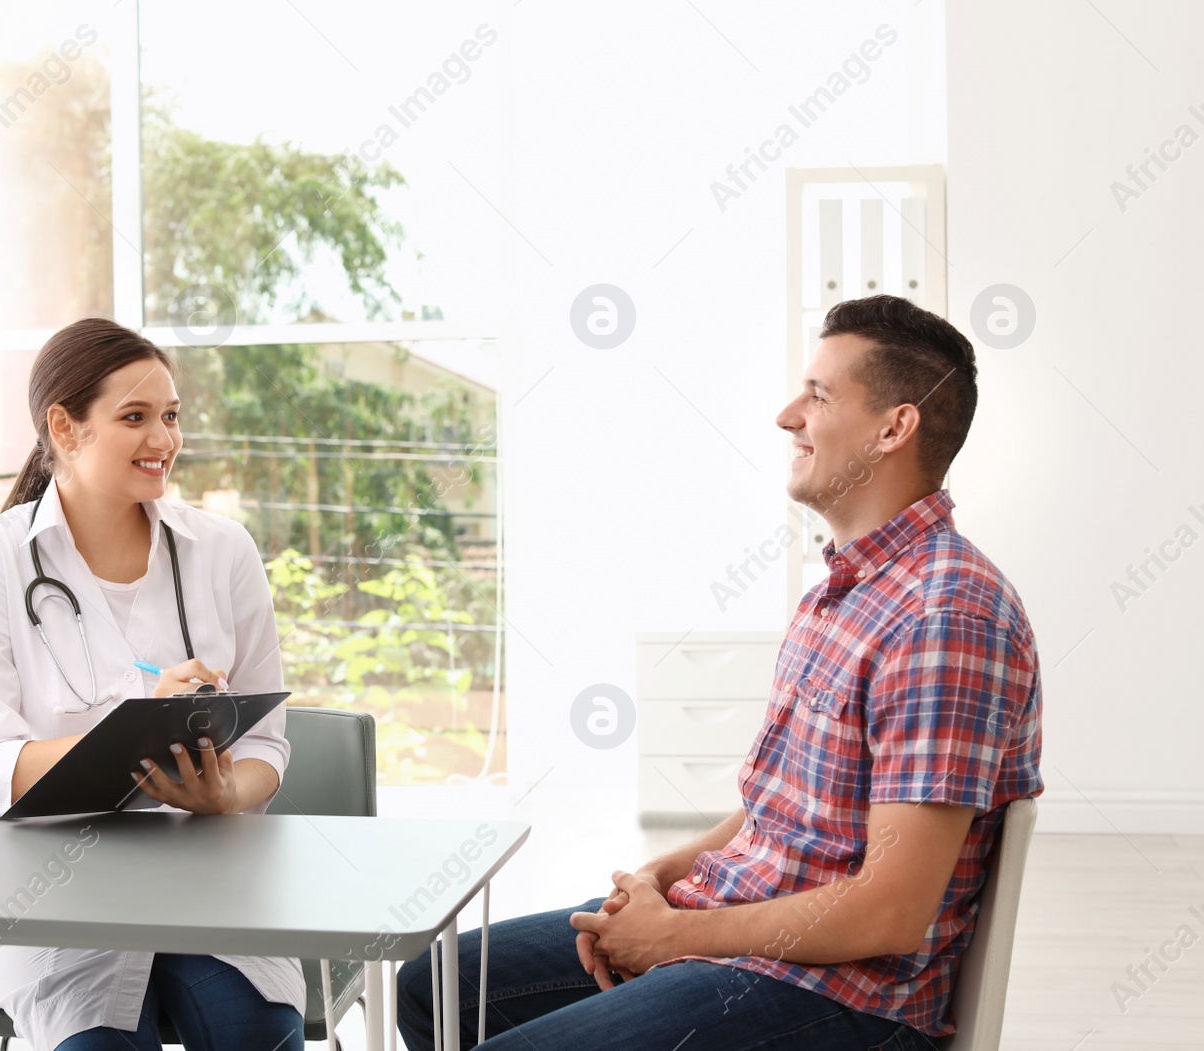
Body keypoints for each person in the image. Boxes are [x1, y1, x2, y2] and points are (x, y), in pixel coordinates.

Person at [397, 295, 1044, 1049]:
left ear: (896, 426)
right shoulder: (839, 594)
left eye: (819, 394)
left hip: (842, 997)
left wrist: (668, 939)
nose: (786, 415)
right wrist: (660, 878)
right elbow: (783, 809)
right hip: (738, 932)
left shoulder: (948, 615)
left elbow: (891, 909)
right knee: (433, 985)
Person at [0, 318, 303, 1051]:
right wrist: (131, 733)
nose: (163, 440)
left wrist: (224, 793)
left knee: (253, 1031)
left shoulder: (222, 552)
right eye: (134, 417)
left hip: (207, 875)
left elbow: (267, 739)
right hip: (60, 896)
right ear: (64, 427)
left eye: (170, 416)